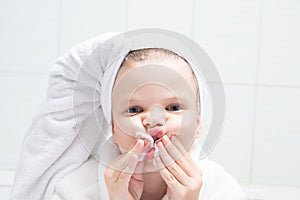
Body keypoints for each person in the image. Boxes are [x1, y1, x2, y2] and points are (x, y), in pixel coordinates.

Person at [10, 29, 247, 200]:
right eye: (134, 110)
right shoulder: (74, 188)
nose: (154, 121)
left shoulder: (222, 190)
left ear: (197, 125)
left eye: (173, 108)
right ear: (113, 128)